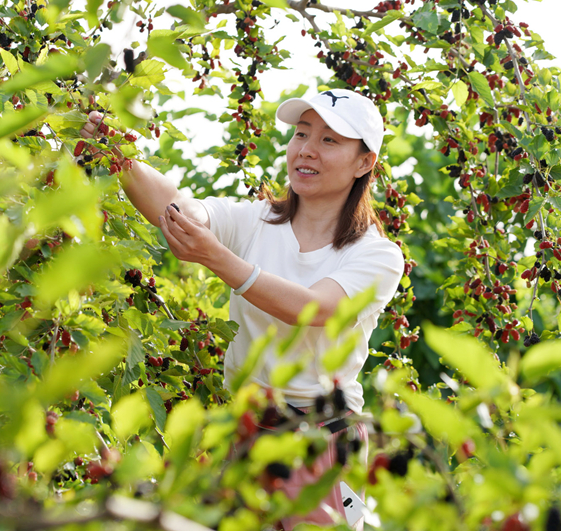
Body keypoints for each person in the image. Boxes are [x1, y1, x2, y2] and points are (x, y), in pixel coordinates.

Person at [81, 88, 404, 529]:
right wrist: (118, 153)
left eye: (329, 140)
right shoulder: (256, 220)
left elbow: (311, 309)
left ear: (364, 162)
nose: (306, 150)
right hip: (248, 432)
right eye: (301, 134)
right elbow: (181, 211)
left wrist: (218, 258)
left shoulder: (376, 255)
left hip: (321, 442)